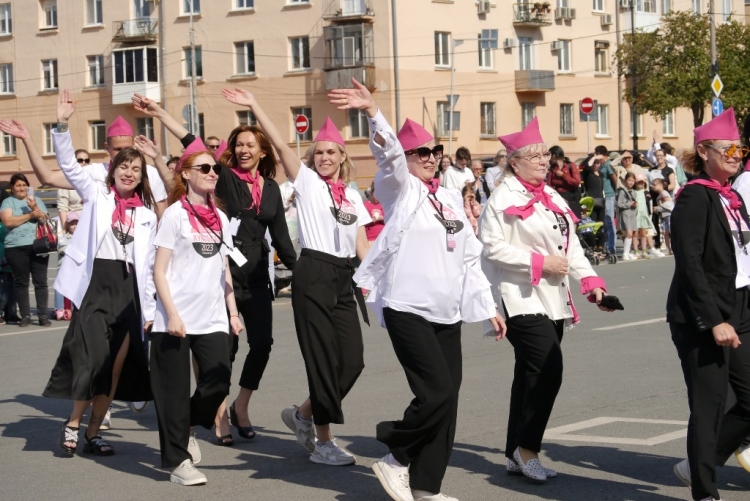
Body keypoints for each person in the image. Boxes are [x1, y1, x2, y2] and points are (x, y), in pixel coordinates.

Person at [331, 78, 504, 501]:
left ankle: (427, 487)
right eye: (420, 152)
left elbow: (469, 256)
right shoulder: (400, 189)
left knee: (448, 400)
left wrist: (488, 307)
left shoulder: (449, 197)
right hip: (407, 306)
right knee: (436, 393)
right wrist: (373, 112)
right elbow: (389, 155)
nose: (430, 158)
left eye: (434, 151)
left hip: (447, 311)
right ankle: (395, 455)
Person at [131, 93, 297, 445]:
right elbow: (191, 143)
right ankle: (219, 415)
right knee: (225, 353)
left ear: (262, 152)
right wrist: (160, 113)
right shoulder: (224, 178)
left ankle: (241, 405)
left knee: (262, 345)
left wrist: (304, 273)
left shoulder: (271, 189)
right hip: (222, 275)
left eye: (250, 145)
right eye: (239, 145)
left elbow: (282, 238)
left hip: (256, 277)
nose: (243, 150)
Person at [222, 86, 371, 465]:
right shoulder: (306, 182)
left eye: (331, 152)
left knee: (352, 362)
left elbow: (362, 246)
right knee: (322, 361)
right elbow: (277, 141)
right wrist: (254, 104)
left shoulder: (353, 196)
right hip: (314, 272)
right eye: (319, 152)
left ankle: (302, 414)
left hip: (344, 278)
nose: (324, 158)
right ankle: (324, 441)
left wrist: (377, 281)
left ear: (342, 156)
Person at [478, 117, 614, 484]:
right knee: (547, 368)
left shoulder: (550, 195)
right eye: (534, 155)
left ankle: (513, 451)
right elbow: (490, 247)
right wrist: (539, 262)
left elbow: (570, 247)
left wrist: (591, 282)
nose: (543, 160)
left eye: (545, 154)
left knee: (529, 373)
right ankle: (528, 450)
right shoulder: (502, 198)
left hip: (552, 298)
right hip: (517, 297)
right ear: (514, 162)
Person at [42, 117, 157, 458]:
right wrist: (62, 126)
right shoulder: (96, 195)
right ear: (113, 169)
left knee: (115, 367)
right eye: (124, 166)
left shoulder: (147, 215)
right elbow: (68, 166)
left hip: (129, 292)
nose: (129, 173)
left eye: (136, 169)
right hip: (96, 286)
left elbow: (149, 268)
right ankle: (73, 423)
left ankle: (94, 432)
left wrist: (150, 311)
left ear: (142, 176)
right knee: (93, 360)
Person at [150, 139, 244, 486]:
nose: (212, 173)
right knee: (172, 393)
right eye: (204, 168)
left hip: (213, 317)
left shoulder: (220, 217)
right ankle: (178, 462)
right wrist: (172, 314)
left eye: (215, 168)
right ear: (186, 175)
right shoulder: (174, 215)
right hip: (175, 319)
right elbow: (159, 271)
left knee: (218, 380)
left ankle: (186, 425)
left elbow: (224, 268)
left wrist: (233, 312)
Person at [667, 108, 750, 501]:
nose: (736, 155)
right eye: (727, 149)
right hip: (702, 314)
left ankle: (701, 461)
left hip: (741, 307)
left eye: (740, 149)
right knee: (709, 405)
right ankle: (704, 491)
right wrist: (713, 319)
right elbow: (690, 263)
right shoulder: (695, 197)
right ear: (704, 151)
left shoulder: (731, 196)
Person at [11, 90, 169, 218]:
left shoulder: (151, 174)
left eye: (127, 148)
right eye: (118, 149)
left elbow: (161, 214)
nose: (123, 155)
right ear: (107, 147)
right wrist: (28, 139)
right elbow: (48, 177)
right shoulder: (95, 173)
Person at [0, 173, 50, 327]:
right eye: (18, 186)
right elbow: (8, 221)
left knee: (41, 281)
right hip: (15, 247)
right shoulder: (8, 202)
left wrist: (34, 207)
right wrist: (30, 215)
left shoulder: (37, 200)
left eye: (24, 185)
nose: (21, 188)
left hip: (38, 246)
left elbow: (44, 219)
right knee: (21, 282)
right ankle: (25, 316)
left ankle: (43, 315)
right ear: (12, 188)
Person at [593, 146, 618, 257]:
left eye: (596, 153)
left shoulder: (607, 164)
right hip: (601, 196)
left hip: (609, 195)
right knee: (603, 222)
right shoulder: (600, 164)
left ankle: (611, 247)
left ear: (601, 153)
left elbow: (614, 179)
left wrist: (615, 192)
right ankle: (605, 246)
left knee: (609, 221)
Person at [54, 212, 78, 320]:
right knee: (59, 287)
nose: (75, 226)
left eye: (77, 223)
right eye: (72, 224)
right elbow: (62, 249)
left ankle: (74, 307)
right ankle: (59, 308)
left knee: (76, 287)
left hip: (76, 268)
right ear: (67, 225)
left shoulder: (82, 238)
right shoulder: (63, 238)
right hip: (64, 267)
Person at [633, 174, 663, 259]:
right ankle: (635, 251)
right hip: (636, 215)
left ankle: (644, 251)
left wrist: (650, 214)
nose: (641, 184)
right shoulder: (633, 192)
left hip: (644, 215)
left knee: (643, 234)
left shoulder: (646, 193)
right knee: (635, 234)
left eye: (642, 182)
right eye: (639, 182)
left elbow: (650, 203)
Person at [546, 146, 581, 219]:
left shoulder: (571, 165)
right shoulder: (553, 168)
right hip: (559, 198)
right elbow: (549, 185)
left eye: (549, 155)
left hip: (572, 198)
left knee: (574, 221)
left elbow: (576, 182)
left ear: (553, 156)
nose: (549, 158)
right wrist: (556, 196)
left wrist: (563, 175)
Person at [57, 149, 87, 227]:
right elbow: (62, 207)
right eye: (80, 160)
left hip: (91, 221)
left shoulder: (93, 180)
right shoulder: (66, 181)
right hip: (74, 224)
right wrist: (65, 228)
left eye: (87, 160)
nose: (84, 163)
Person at [617, 173, 639, 261]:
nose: (631, 182)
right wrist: (629, 204)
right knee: (629, 233)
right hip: (625, 214)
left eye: (633, 181)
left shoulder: (634, 192)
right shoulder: (622, 191)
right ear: (625, 180)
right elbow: (619, 204)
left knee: (632, 234)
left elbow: (633, 202)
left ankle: (628, 252)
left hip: (632, 213)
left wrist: (634, 204)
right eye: (629, 180)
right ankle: (625, 254)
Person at [651, 178, 673, 255]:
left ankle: (674, 247)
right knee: (665, 232)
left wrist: (658, 208)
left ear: (660, 185)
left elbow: (668, 205)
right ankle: (668, 248)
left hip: (669, 215)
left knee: (670, 231)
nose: (653, 186)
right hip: (663, 217)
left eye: (654, 185)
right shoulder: (658, 197)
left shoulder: (664, 193)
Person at [582, 155, 605, 222]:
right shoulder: (588, 172)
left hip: (600, 201)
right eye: (594, 163)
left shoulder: (601, 174)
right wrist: (594, 157)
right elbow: (587, 165)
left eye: (598, 163)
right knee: (592, 220)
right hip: (591, 202)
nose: (596, 165)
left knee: (601, 221)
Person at [364, 181, 385, 246]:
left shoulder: (384, 205)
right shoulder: (365, 205)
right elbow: (362, 221)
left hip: (382, 237)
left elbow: (390, 219)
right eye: (375, 194)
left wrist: (382, 218)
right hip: (370, 238)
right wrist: (371, 220)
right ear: (371, 193)